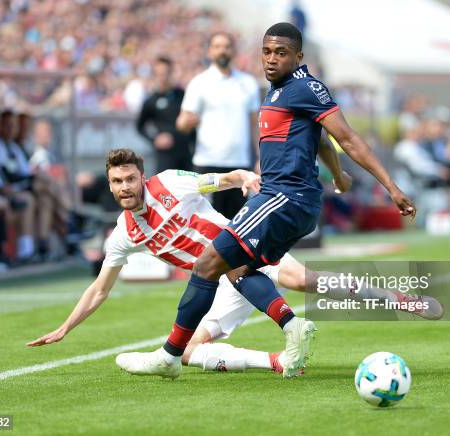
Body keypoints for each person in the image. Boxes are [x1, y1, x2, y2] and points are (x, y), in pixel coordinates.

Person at [122, 23, 417, 379]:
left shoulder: (305, 87)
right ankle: (293, 327)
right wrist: (338, 176)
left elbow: (348, 138)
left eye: (281, 53)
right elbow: (321, 139)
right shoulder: (277, 90)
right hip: (286, 198)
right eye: (266, 52)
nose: (272, 59)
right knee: (241, 271)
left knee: (207, 263)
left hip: (284, 197)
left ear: (298, 57)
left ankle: (168, 357)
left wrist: (391, 187)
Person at [26, 149, 442, 376]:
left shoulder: (170, 183)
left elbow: (225, 178)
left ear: (141, 177)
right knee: (189, 353)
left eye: (130, 178)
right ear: (110, 186)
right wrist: (65, 327)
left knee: (304, 280)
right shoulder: (123, 235)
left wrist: (245, 179)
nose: (125, 187)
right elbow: (100, 289)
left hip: (244, 248)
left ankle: (397, 298)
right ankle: (277, 361)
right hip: (219, 284)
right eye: (117, 182)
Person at [176, 32, 260, 219]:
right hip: (207, 163)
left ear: (233, 51)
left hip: (239, 163)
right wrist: (186, 123)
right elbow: (181, 123)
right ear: (209, 51)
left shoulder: (248, 83)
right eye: (217, 46)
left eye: (226, 46)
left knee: (237, 224)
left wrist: (259, 157)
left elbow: (255, 125)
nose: (222, 50)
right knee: (207, 222)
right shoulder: (199, 83)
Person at [136, 56, 193, 174]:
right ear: (155, 75)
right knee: (166, 190)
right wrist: (154, 139)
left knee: (190, 189)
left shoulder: (183, 95)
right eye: (159, 74)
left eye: (166, 73)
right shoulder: (151, 101)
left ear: (171, 73)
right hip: (165, 156)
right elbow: (139, 126)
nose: (163, 77)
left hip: (185, 153)